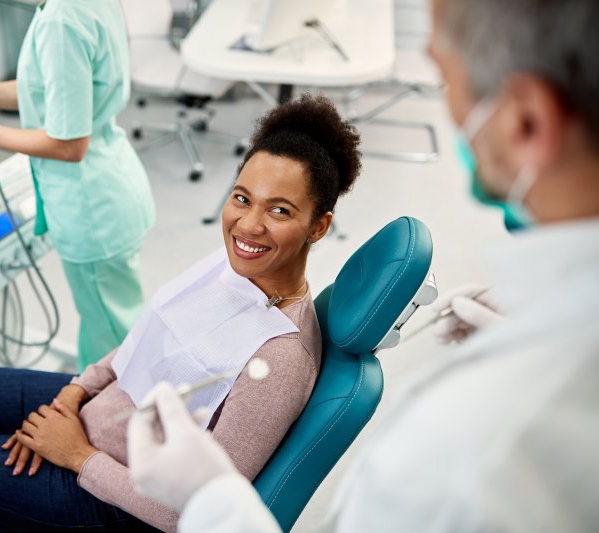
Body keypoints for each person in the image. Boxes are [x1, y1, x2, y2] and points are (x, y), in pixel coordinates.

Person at [126, 0, 599, 531]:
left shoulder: (471, 453)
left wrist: (211, 501)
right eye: (241, 199)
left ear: (527, 122)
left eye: (445, 81)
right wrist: (529, 327)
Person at [0, 95, 362, 532]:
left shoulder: (280, 361)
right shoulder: (231, 267)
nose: (247, 225)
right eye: (242, 197)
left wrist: (77, 454)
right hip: (92, 409)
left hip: (102, 495)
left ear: (318, 226)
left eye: (279, 210)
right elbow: (147, 341)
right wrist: (75, 391)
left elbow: (194, 512)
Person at [0, 0, 155, 370]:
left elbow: (69, 144)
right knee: (107, 321)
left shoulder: (63, 17)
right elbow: (52, 88)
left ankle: (112, 421)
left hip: (92, 207)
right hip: (114, 184)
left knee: (116, 351)